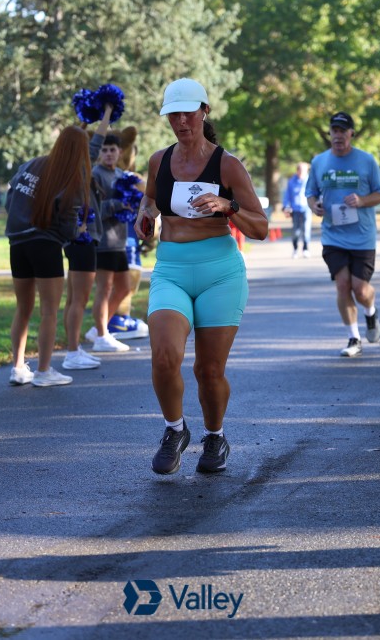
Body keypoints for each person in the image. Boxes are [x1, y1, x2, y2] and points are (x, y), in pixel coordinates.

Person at [135, 78, 268, 475]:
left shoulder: (227, 164)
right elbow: (150, 199)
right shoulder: (159, 160)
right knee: (164, 356)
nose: (180, 121)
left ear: (204, 111)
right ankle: (175, 430)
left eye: (188, 113)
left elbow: (260, 227)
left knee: (208, 371)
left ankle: (215, 436)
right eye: (173, 115)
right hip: (172, 269)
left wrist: (228, 206)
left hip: (219, 273)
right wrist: (145, 216)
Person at [5, 126, 92, 387]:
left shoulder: (31, 165)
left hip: (17, 243)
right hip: (46, 245)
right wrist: (79, 230)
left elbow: (11, 197)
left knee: (23, 307)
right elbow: (68, 227)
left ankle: (18, 367)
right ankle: (43, 371)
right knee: (49, 311)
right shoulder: (72, 177)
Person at [305, 111, 380, 358]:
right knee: (342, 285)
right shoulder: (319, 162)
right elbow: (310, 193)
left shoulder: (366, 161)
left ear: (351, 133)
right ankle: (354, 338)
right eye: (334, 130)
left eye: (343, 131)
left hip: (362, 236)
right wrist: (314, 206)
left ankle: (371, 312)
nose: (338, 135)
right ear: (330, 133)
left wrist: (362, 200)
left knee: (360, 290)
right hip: (333, 236)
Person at [61, 105, 115, 372]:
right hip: (82, 239)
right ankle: (72, 352)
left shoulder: (65, 164)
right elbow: (97, 140)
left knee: (73, 298)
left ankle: (73, 348)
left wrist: (83, 121)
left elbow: (75, 138)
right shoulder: (80, 168)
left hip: (73, 239)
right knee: (79, 300)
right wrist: (107, 112)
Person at [90, 132, 135, 355]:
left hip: (119, 241)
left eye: (112, 150)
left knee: (124, 287)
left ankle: (99, 329)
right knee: (104, 288)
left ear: (120, 152)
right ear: (99, 152)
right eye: (105, 150)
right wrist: (118, 205)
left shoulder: (121, 175)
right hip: (102, 241)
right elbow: (93, 210)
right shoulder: (95, 175)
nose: (108, 154)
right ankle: (101, 335)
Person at [283, 162, 311, 258]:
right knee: (296, 231)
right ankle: (295, 249)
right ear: (297, 171)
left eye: (305, 171)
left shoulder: (310, 180)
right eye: (301, 170)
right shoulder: (292, 181)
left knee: (306, 229)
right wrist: (286, 206)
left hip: (307, 208)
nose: (303, 173)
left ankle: (305, 249)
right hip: (295, 209)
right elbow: (287, 196)